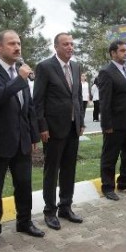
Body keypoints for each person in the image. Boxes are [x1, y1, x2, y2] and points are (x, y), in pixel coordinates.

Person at [0, 30, 44, 252]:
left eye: (19, 43)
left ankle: (24, 222)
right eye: (12, 43)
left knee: (24, 185)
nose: (17, 47)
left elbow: (28, 107)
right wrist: (20, 79)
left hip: (22, 141)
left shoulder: (19, 71)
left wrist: (33, 135)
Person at [34, 32, 85, 231]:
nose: (70, 47)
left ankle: (66, 207)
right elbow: (38, 101)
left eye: (72, 44)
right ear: (56, 47)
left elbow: (78, 97)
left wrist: (80, 121)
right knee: (51, 171)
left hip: (73, 128)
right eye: (65, 44)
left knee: (69, 169)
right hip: (53, 130)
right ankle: (49, 211)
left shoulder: (75, 66)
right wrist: (42, 126)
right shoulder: (45, 67)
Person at [98, 40, 126, 201]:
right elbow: (104, 101)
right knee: (110, 156)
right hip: (114, 124)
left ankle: (125, 182)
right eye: (122, 51)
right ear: (113, 53)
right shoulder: (106, 72)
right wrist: (106, 125)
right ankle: (108, 187)